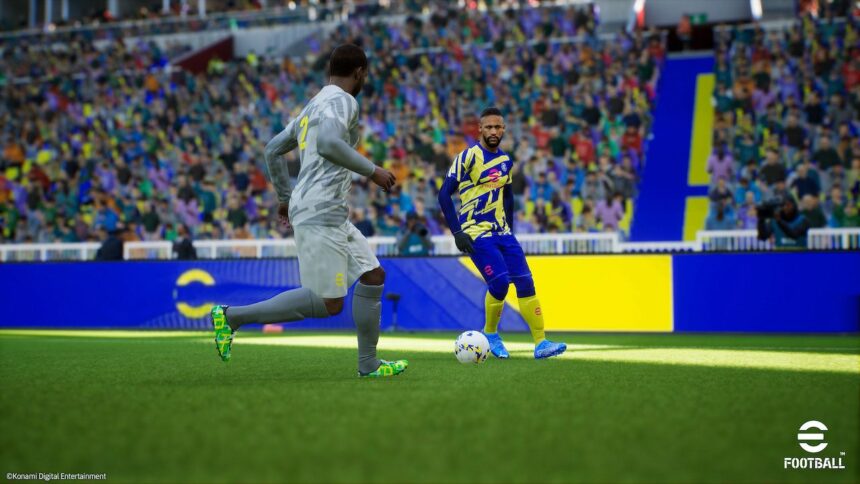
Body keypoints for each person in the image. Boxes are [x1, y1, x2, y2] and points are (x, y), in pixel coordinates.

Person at [209, 44, 407, 378]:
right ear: (360, 72)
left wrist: (285, 197)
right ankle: (232, 317)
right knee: (330, 303)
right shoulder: (344, 101)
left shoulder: (313, 105)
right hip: (321, 208)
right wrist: (372, 171)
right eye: (365, 74)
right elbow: (328, 144)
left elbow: (273, 150)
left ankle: (369, 364)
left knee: (373, 275)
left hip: (329, 210)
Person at [437, 107, 567, 360]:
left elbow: (508, 195)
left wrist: (510, 228)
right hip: (475, 231)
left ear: (504, 129)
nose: (493, 131)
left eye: (498, 127)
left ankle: (541, 343)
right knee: (499, 283)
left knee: (526, 282)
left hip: (502, 231)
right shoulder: (468, 157)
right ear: (480, 129)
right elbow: (444, 194)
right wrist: (457, 232)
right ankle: (491, 334)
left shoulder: (506, 161)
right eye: (489, 127)